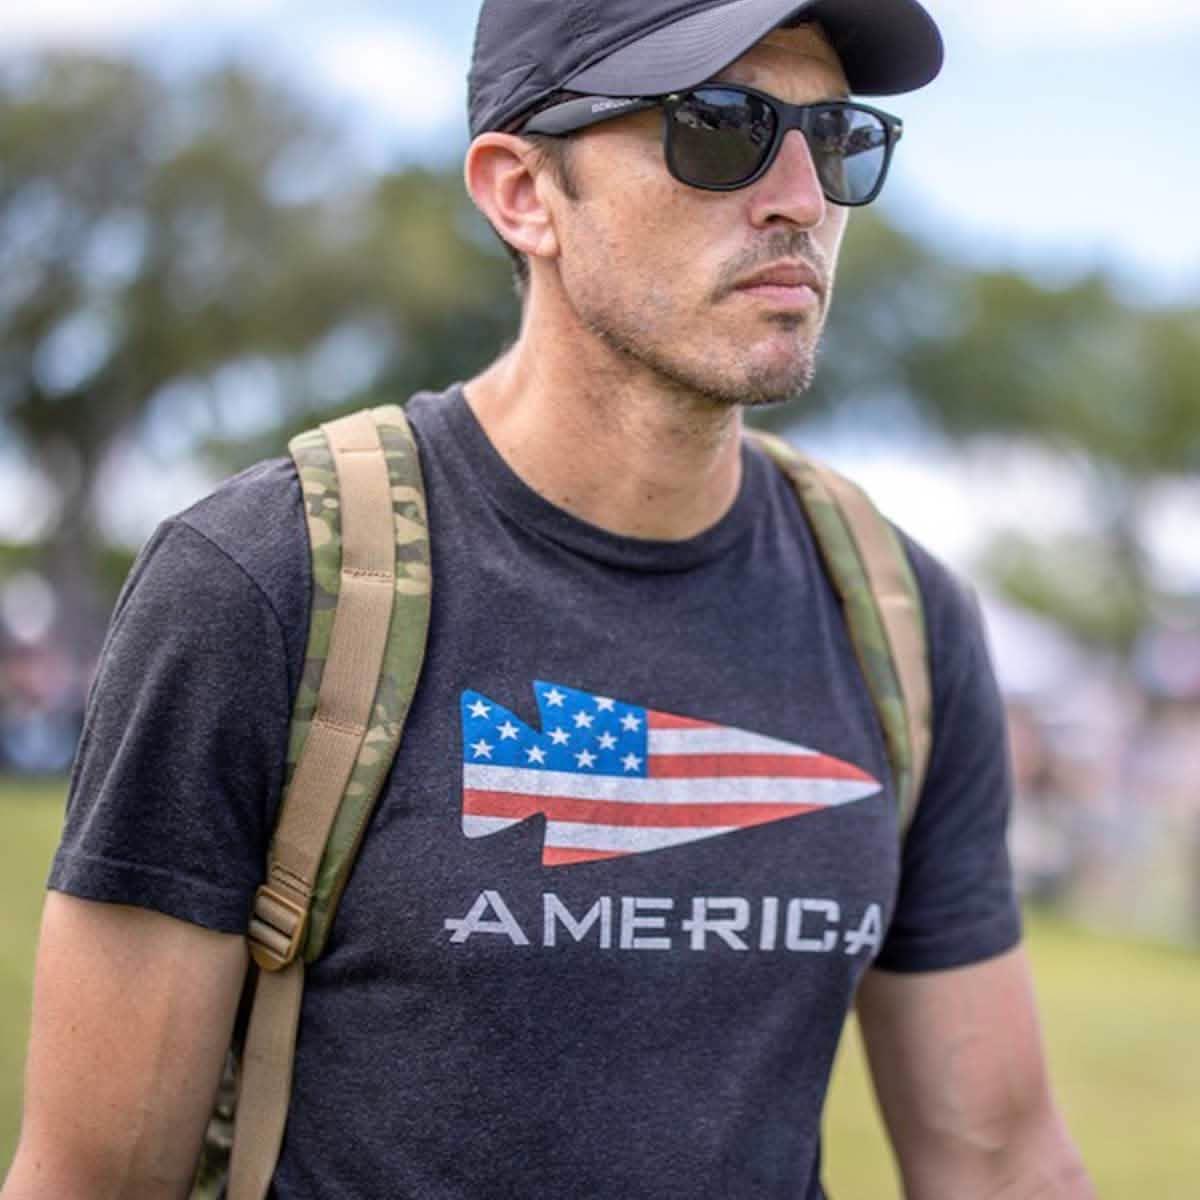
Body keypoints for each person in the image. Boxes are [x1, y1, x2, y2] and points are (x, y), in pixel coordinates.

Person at [3, 1, 1094, 1197]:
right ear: (523, 193)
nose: (799, 196)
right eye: (719, 126)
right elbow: (94, 1177)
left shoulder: (897, 613)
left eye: (834, 135)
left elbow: (995, 1158)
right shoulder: (268, 581)